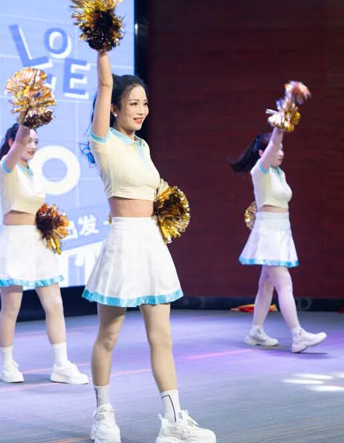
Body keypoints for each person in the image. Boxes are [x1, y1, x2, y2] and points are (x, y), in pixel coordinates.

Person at [83, 49, 216, 443]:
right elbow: (104, 83)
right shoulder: (103, 141)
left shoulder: (142, 146)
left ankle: (173, 421)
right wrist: (102, 47)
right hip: (123, 240)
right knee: (109, 336)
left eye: (144, 103)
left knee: (162, 337)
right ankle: (103, 416)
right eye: (133, 104)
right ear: (113, 108)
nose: (141, 111)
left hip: (152, 242)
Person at [0, 122, 88, 385]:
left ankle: (61, 365)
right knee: (11, 308)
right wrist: (28, 115)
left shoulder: (32, 171)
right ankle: (7, 365)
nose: (32, 146)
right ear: (12, 142)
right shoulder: (6, 168)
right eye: (27, 141)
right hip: (15, 241)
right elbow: (20, 138)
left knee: (55, 304)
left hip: (38, 241)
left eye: (36, 142)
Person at [230, 127, 327, 353]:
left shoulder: (279, 173)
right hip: (269, 234)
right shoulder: (260, 170)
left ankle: (255, 331)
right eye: (277, 149)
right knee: (285, 284)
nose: (281, 152)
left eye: (283, 149)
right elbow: (273, 143)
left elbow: (274, 147)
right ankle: (298, 335)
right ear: (263, 153)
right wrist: (280, 124)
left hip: (281, 232)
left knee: (267, 285)